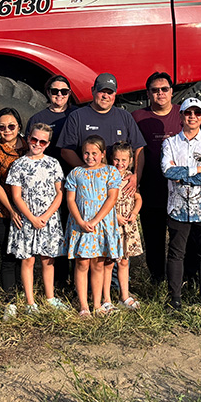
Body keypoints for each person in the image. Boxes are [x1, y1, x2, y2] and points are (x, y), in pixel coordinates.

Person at [133, 71, 201, 284]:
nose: (160, 93)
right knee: (154, 237)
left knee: (186, 239)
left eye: (164, 89)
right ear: (148, 93)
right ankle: (158, 278)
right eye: (155, 90)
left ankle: (188, 278)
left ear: (172, 91)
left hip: (185, 193)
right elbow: (133, 152)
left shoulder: (186, 113)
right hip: (152, 190)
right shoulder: (138, 117)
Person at [161, 97, 201, 312]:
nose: (193, 117)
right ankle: (175, 298)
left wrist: (182, 173)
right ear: (181, 116)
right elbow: (167, 171)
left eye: (197, 113)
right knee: (176, 253)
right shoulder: (169, 143)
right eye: (188, 113)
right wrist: (196, 169)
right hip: (178, 207)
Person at [5, 123, 68, 313]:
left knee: (48, 259)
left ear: (48, 144)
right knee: (28, 260)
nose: (37, 144)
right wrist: (31, 218)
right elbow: (16, 196)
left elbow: (60, 193)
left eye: (42, 141)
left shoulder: (53, 163)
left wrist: (47, 216)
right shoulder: (18, 165)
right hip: (27, 218)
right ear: (27, 138)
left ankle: (50, 298)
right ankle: (30, 302)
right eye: (34, 139)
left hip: (49, 217)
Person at [26, 75, 77, 287]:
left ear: (69, 94)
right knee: (55, 232)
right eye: (55, 91)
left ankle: (79, 279)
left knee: (74, 228)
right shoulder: (37, 118)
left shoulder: (77, 115)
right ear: (48, 93)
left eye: (64, 92)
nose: (59, 95)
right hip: (47, 187)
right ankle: (59, 280)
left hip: (75, 180)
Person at [64, 135, 123, 317]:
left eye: (94, 153)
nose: (90, 157)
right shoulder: (76, 173)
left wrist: (95, 221)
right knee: (82, 263)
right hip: (80, 224)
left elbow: (112, 198)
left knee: (98, 263)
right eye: (86, 153)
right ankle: (83, 306)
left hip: (102, 224)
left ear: (103, 153)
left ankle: (97, 304)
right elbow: (70, 200)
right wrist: (81, 221)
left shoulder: (111, 172)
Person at [58, 72, 146, 186]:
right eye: (102, 91)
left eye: (110, 92)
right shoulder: (77, 116)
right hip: (90, 185)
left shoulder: (124, 116)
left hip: (119, 185)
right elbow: (66, 151)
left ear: (115, 93)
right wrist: (88, 173)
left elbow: (139, 147)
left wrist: (136, 177)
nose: (106, 96)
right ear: (93, 90)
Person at [0, 106, 27, 317]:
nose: (7, 130)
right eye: (2, 127)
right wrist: (12, 210)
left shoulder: (30, 146)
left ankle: (27, 295)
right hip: (4, 210)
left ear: (19, 126)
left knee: (27, 255)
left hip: (29, 211)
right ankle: (9, 301)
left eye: (11, 126)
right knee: (8, 255)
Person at [108, 141, 143, 310]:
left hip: (127, 227)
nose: (120, 164)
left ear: (130, 160)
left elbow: (138, 198)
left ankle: (124, 296)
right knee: (108, 262)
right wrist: (115, 217)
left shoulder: (130, 177)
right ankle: (105, 298)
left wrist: (134, 213)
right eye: (116, 159)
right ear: (110, 159)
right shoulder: (106, 175)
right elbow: (100, 202)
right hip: (111, 225)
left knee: (123, 261)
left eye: (123, 160)